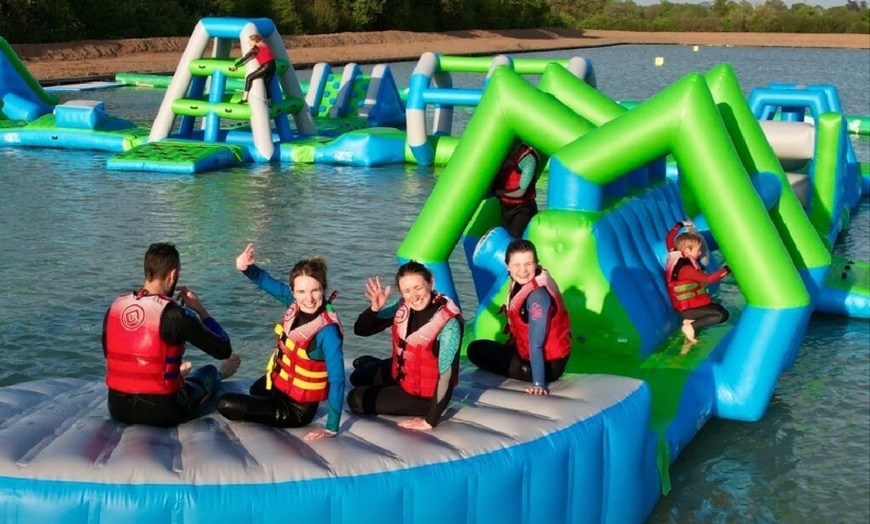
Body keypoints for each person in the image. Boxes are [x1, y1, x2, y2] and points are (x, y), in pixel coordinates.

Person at [103, 242, 240, 427]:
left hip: (117, 408)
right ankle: (220, 373)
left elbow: (110, 354)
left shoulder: (115, 307)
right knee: (208, 371)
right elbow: (224, 349)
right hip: (163, 412)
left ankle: (174, 372)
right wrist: (200, 310)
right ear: (173, 274)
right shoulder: (174, 314)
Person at [217, 244, 345, 441]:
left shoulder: (328, 332)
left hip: (296, 409)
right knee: (256, 389)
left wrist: (331, 427)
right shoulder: (293, 304)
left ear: (324, 289)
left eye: (315, 291)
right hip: (279, 386)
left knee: (226, 404)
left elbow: (338, 380)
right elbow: (264, 281)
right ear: (293, 292)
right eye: (301, 291)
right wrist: (246, 268)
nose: (308, 299)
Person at [348, 261, 463, 431]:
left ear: (431, 283)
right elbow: (361, 330)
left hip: (424, 395)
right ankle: (375, 367)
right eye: (407, 291)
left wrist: (429, 421)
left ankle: (384, 380)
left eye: (418, 287)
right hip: (401, 373)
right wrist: (374, 309)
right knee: (357, 377)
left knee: (355, 399)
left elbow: (447, 376)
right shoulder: (402, 306)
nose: (414, 296)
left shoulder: (449, 323)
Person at [467, 239, 572, 395]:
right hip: (531, 355)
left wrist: (538, 384)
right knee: (479, 347)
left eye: (528, 264)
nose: (522, 270)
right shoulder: (522, 283)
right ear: (507, 266)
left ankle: (533, 375)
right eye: (517, 265)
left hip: (547, 367)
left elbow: (536, 344)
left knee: (476, 352)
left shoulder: (538, 297)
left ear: (536, 264)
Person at [664, 220, 730, 344]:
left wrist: (681, 224)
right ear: (688, 250)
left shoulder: (674, 252)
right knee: (721, 315)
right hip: (687, 309)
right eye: (698, 250)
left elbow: (669, 238)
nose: (700, 253)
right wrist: (728, 269)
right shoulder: (685, 268)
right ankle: (689, 326)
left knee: (720, 308)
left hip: (693, 306)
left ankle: (689, 322)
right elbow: (709, 279)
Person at [492, 140, 542, 239]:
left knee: (513, 238)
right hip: (506, 206)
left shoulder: (528, 159)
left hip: (523, 208)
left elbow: (521, 192)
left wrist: (500, 193)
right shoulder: (500, 153)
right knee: (505, 238)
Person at [228, 33, 276, 105]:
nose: (249, 43)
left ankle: (244, 98)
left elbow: (246, 57)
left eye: (250, 41)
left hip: (266, 66)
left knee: (249, 77)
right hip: (273, 66)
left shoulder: (256, 48)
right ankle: (269, 102)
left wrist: (236, 65)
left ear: (254, 41)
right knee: (266, 84)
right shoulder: (264, 44)